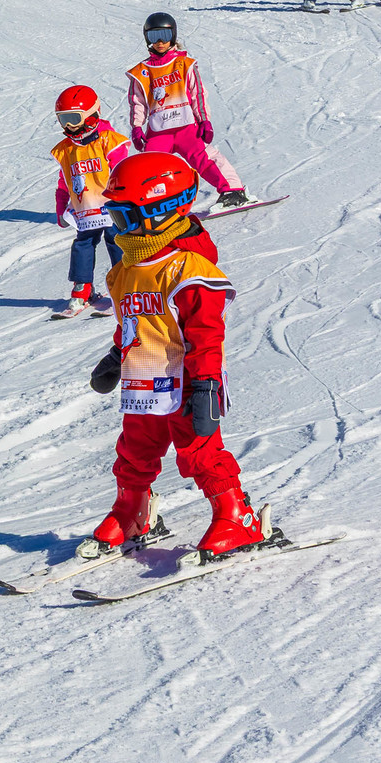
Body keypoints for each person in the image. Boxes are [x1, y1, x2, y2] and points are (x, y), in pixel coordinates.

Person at [87, 153, 268, 560]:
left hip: (187, 382)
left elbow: (206, 334)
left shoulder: (189, 269)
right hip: (143, 378)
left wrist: (206, 385)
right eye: (116, 218)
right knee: (134, 450)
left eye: (126, 218)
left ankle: (236, 516)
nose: (119, 230)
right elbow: (132, 320)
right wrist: (117, 356)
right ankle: (132, 511)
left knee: (199, 450)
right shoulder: (126, 270)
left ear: (163, 210)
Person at [126, 14, 246, 207]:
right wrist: (137, 127)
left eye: (165, 35)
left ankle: (233, 191)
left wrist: (204, 120)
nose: (160, 42)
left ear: (173, 35)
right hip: (158, 131)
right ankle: (151, 203)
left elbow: (197, 94)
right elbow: (137, 102)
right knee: (148, 166)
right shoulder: (142, 71)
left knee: (205, 158)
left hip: (186, 127)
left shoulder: (184, 64)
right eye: (154, 36)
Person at [50, 86, 131, 316]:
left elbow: (123, 170)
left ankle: (123, 289)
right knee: (82, 245)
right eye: (63, 120)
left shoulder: (108, 141)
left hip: (112, 207)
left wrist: (129, 201)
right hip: (85, 211)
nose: (68, 126)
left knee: (117, 241)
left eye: (73, 119)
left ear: (91, 114)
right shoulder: (67, 150)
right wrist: (60, 208)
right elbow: (64, 181)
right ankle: (82, 290)